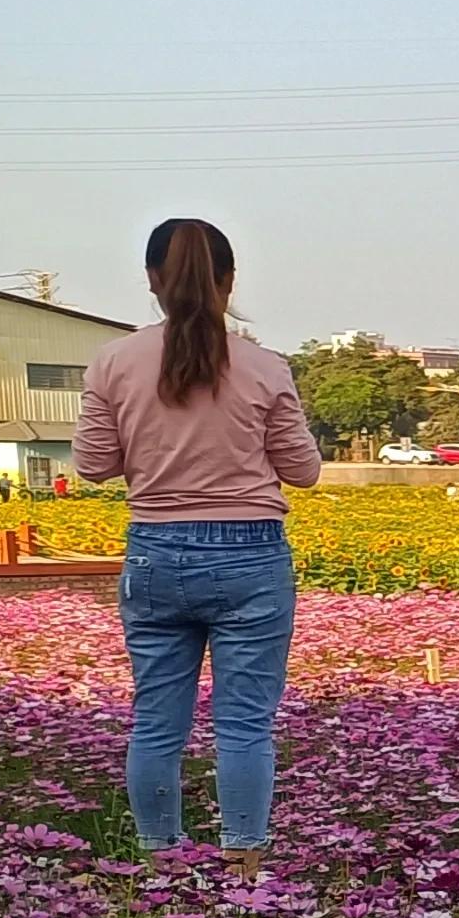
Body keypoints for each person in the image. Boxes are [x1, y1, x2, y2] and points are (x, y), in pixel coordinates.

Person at [75, 216, 319, 855]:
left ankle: (162, 865)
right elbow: (304, 471)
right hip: (251, 556)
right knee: (244, 726)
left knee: (156, 724)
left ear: (153, 280)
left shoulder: (114, 362)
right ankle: (244, 865)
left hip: (154, 551)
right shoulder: (265, 367)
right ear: (229, 281)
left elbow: (93, 464)